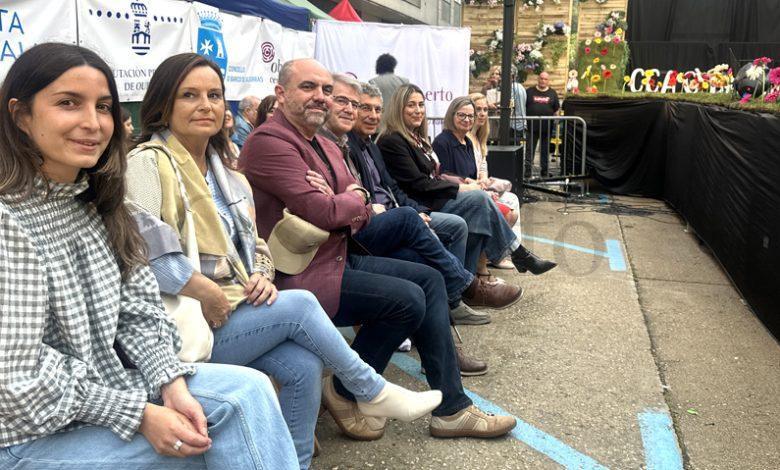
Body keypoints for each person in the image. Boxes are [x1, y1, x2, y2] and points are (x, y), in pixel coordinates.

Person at [124, 53, 442, 469]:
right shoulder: (146, 163)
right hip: (180, 325)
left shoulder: (227, 174)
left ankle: (296, 462)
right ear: (163, 103)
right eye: (190, 95)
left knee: (304, 364)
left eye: (214, 95)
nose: (205, 105)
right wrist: (205, 290)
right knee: (302, 305)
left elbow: (257, 245)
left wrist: (261, 274)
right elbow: (144, 258)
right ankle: (370, 390)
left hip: (234, 306)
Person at [0, 42, 299, 470]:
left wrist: (169, 383)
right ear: (21, 116)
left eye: (104, 107)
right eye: (68, 103)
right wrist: (138, 414)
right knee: (213, 442)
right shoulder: (10, 218)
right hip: (24, 431)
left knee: (251, 391)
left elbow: (138, 310)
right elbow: (16, 377)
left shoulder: (101, 203)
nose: (92, 123)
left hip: (107, 392)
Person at [241, 58, 518, 441]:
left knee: (428, 278)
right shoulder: (269, 143)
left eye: (326, 90)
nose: (320, 97)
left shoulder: (322, 143)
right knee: (408, 296)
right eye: (308, 87)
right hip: (301, 274)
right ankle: (345, 389)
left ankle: (451, 409)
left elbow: (356, 199)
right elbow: (328, 210)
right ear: (281, 94)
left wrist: (346, 198)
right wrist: (348, 199)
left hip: (339, 254)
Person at [321, 74, 519, 332]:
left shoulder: (372, 145)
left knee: (463, 219)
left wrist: (420, 209)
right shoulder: (383, 142)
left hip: (407, 207)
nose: (371, 115)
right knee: (472, 205)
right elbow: (414, 185)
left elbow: (393, 187)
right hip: (380, 221)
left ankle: (458, 297)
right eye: (363, 108)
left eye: (376, 109)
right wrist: (431, 202)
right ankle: (468, 286)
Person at [376, 84, 557, 284]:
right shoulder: (394, 140)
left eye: (421, 105)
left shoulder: (418, 138)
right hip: (420, 204)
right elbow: (420, 184)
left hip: (434, 196)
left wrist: (473, 183)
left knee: (482, 209)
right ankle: (514, 255)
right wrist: (462, 187)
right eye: (411, 105)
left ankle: (472, 281)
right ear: (398, 108)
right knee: (480, 201)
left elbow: (437, 176)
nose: (418, 110)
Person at [469, 92, 522, 270]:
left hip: (481, 188)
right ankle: (501, 254)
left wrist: (487, 181)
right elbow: (466, 173)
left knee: (512, 198)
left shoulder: (480, 137)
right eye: (478, 109)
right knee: (510, 205)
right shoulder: (466, 138)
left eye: (485, 110)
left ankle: (508, 252)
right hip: (472, 191)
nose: (482, 114)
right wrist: (485, 187)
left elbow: (482, 168)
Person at [525, 71, 560, 178]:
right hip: (531, 127)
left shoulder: (552, 93)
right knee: (529, 150)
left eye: (545, 79)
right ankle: (527, 171)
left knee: (545, 150)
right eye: (541, 78)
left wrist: (557, 120)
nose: (543, 81)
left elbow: (556, 109)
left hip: (547, 128)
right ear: (538, 79)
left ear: (548, 81)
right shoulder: (529, 91)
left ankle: (544, 171)